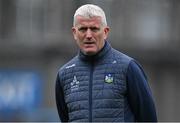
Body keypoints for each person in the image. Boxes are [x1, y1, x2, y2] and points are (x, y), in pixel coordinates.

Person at [55, 4, 157, 122]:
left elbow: (148, 118)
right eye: (83, 29)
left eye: (94, 29)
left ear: (105, 32)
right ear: (74, 33)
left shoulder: (128, 67)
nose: (88, 35)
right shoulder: (64, 74)